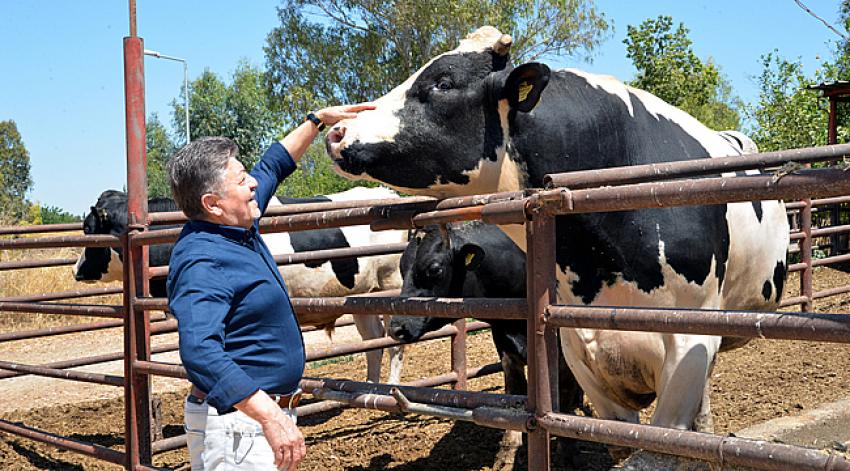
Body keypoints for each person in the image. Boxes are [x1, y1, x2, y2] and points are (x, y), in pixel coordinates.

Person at [166, 103, 374, 470]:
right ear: (212, 203)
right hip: (240, 428)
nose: (253, 184)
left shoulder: (234, 226)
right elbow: (199, 350)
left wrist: (315, 121)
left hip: (252, 421)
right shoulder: (202, 259)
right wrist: (269, 415)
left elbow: (273, 165)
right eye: (241, 180)